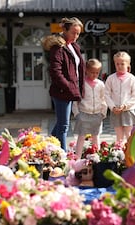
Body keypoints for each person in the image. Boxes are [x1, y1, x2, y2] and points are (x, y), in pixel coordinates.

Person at [41, 17, 85, 151]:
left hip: (70, 90)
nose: (76, 36)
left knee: (60, 125)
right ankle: (63, 155)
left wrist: (79, 89)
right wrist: (69, 87)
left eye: (78, 33)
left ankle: (48, 147)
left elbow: (79, 69)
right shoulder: (58, 47)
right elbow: (55, 72)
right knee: (64, 125)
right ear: (65, 30)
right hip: (61, 92)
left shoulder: (74, 46)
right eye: (73, 32)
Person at [72, 59, 107, 159]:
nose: (94, 75)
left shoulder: (100, 84)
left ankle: (97, 157)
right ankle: (77, 157)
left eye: (97, 73)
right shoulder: (81, 84)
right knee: (81, 136)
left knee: (96, 136)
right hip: (83, 113)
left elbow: (103, 99)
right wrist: (77, 114)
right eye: (92, 72)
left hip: (97, 114)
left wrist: (103, 113)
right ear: (86, 70)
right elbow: (76, 99)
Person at [105, 51, 135, 145]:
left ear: (128, 64)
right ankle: (119, 153)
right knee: (119, 135)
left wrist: (126, 105)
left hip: (128, 111)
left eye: (122, 64)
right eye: (117, 64)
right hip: (116, 111)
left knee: (129, 134)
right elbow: (107, 94)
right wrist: (112, 107)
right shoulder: (111, 79)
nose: (120, 66)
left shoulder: (131, 79)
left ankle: (130, 153)